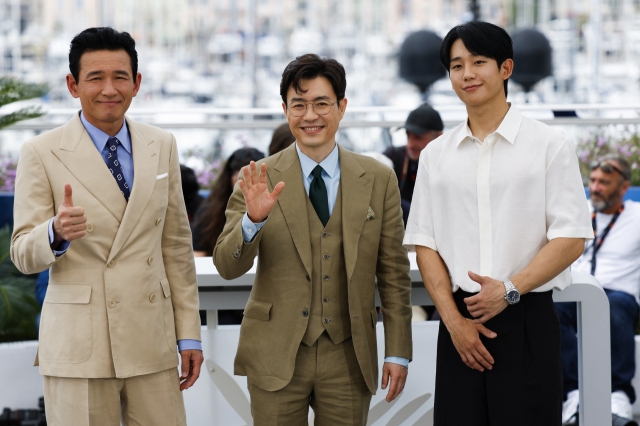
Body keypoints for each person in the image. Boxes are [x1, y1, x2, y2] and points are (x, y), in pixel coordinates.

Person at [10, 27, 203, 426]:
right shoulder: (41, 152)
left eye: (120, 77)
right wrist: (55, 233)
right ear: (72, 85)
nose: (109, 89)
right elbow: (22, 253)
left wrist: (188, 335)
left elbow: (176, 249)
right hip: (81, 346)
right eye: (95, 77)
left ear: (137, 83)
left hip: (152, 340)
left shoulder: (161, 144)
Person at [403, 21, 592, 426]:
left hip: (527, 320)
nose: (467, 73)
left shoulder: (549, 145)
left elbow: (572, 237)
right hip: (458, 323)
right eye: (456, 65)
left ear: (506, 68)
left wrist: (508, 289)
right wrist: (454, 323)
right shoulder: (436, 155)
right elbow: (424, 243)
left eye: (478, 61)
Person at [214, 53, 412, 425]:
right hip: (275, 351)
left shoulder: (378, 179)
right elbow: (227, 265)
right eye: (299, 105)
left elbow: (394, 274)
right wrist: (252, 221)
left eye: (321, 103)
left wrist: (398, 351)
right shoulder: (257, 176)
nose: (310, 116)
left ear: (341, 107)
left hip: (350, 354)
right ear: (285, 110)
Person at [558, 156, 640, 426]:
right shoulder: (578, 212)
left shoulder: (636, 216)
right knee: (553, 309)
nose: (595, 188)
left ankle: (618, 397)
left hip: (619, 294)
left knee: (612, 308)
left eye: (604, 183)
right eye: (593, 181)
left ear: (624, 187)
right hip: (577, 289)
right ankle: (572, 394)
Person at [192, 147, 265, 257]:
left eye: (253, 177)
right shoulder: (209, 213)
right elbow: (198, 255)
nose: (246, 184)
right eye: (239, 177)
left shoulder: (277, 209)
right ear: (230, 178)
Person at [383, 103, 443, 225]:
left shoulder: (448, 166)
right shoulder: (393, 156)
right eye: (408, 136)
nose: (410, 144)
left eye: (417, 137)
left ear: (439, 137)